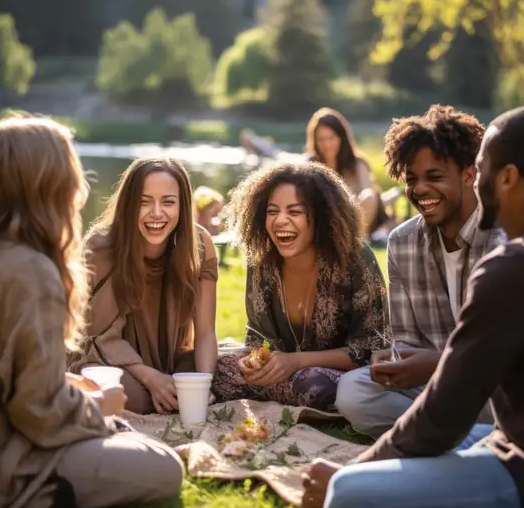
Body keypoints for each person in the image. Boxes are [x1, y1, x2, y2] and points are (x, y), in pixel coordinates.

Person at [301, 105, 524, 508]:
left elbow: (441, 418)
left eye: (481, 168)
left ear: (506, 177)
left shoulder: (514, 266)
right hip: (516, 445)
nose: (477, 179)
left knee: (348, 498)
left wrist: (353, 472)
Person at [0, 115, 184, 508]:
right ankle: (35, 503)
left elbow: (5, 377)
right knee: (165, 465)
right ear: (46, 184)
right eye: (71, 170)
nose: (79, 185)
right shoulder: (28, 271)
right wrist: (99, 406)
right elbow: (36, 410)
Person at [336, 105, 503, 439]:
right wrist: (396, 359)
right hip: (437, 390)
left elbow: (508, 355)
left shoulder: (503, 241)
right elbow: (408, 337)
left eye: (435, 177)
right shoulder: (402, 242)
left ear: (468, 174)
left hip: (498, 387)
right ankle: (468, 440)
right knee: (353, 391)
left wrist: (438, 363)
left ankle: (449, 438)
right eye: (412, 179)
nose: (420, 190)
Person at [212, 162, 389, 412]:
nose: (280, 221)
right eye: (272, 212)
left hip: (330, 376)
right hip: (284, 372)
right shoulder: (262, 260)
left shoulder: (356, 257)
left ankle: (275, 394)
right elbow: (259, 337)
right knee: (216, 367)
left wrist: (297, 361)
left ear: (321, 216)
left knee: (315, 385)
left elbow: (370, 349)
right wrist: (253, 362)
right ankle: (273, 391)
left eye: (294, 212)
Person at [68, 157, 219, 415]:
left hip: (169, 356)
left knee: (220, 376)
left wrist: (202, 386)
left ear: (182, 206)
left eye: (168, 202)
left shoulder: (200, 244)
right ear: (128, 204)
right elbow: (98, 338)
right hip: (107, 359)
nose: (157, 213)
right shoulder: (101, 248)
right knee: (132, 398)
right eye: (144, 201)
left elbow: (205, 332)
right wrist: (150, 378)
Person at [306, 107, 392, 240]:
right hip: (326, 221)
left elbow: (369, 196)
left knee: (369, 195)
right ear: (315, 141)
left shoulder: (358, 163)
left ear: (341, 138)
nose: (326, 144)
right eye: (321, 139)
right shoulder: (310, 165)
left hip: (356, 220)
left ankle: (356, 242)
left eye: (331, 138)